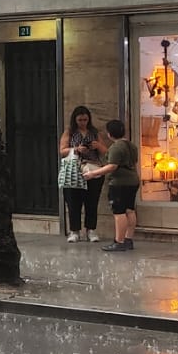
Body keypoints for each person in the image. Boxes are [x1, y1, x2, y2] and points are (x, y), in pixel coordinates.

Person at [86, 118, 140, 251]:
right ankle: (128, 239)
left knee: (119, 212)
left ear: (109, 133)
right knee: (130, 210)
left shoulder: (116, 147)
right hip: (133, 180)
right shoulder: (131, 145)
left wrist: (93, 173)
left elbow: (112, 166)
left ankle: (119, 241)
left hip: (119, 183)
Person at [59, 106, 105, 243]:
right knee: (73, 202)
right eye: (80, 120)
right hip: (75, 169)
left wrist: (97, 146)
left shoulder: (94, 132)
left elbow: (105, 151)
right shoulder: (69, 132)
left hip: (93, 169)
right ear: (75, 119)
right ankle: (74, 231)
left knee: (92, 202)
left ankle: (91, 230)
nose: (83, 122)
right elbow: (62, 151)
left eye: (85, 119)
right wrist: (76, 149)